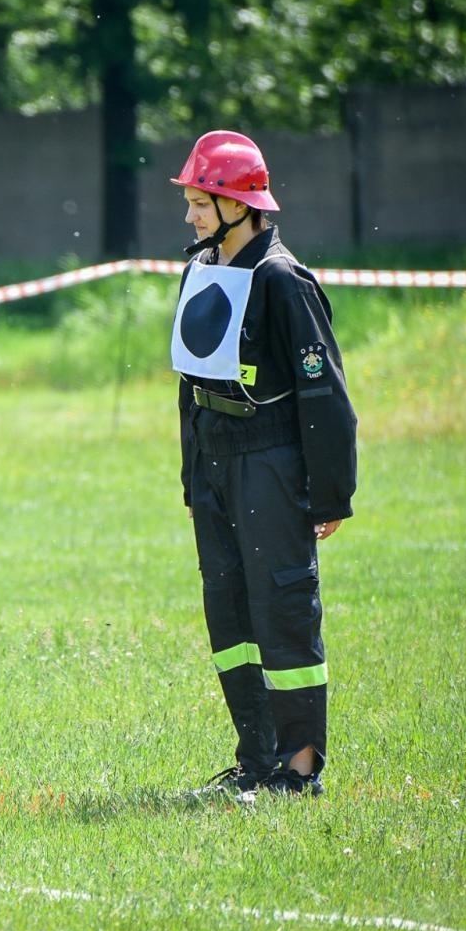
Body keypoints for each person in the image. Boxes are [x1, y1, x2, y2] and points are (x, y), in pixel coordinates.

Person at [169, 130, 357, 800]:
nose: (191, 215)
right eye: (191, 201)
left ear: (240, 205)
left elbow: (324, 394)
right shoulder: (203, 271)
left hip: (270, 461)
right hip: (216, 464)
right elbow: (192, 387)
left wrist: (330, 493)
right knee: (229, 611)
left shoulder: (283, 281)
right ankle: (256, 760)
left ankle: (299, 769)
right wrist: (195, 478)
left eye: (201, 201)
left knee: (281, 607)